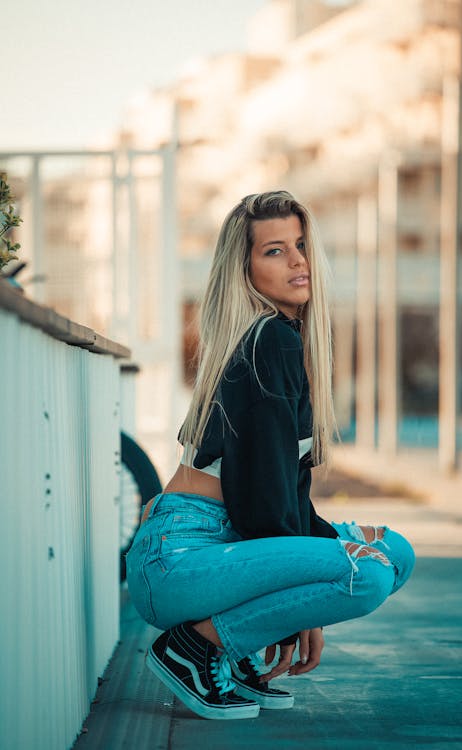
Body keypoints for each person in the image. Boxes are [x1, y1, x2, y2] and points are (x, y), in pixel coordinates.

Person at [126, 190, 415, 721]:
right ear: (245, 268)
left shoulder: (281, 339)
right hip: (181, 558)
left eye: (301, 245)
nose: (298, 260)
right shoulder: (268, 340)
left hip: (210, 549)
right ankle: (196, 648)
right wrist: (302, 603)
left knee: (393, 552)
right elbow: (262, 504)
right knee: (365, 575)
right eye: (275, 250)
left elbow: (285, 493)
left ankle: (223, 653)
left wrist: (310, 579)